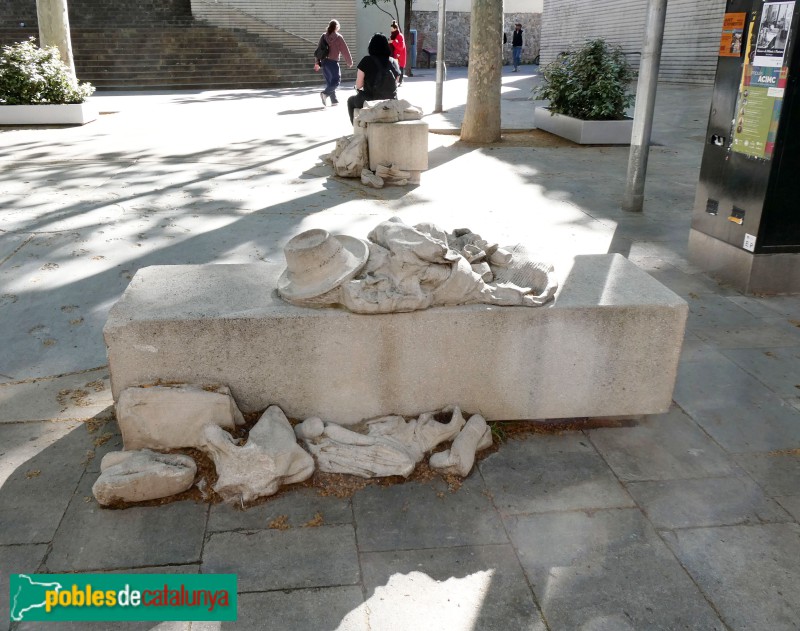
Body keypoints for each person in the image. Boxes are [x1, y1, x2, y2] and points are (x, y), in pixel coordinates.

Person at [347, 33, 399, 124]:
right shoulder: (393, 61)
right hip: (391, 101)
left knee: (350, 101)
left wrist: (358, 88)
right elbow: (396, 81)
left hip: (371, 100)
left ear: (371, 46)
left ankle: (357, 129)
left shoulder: (366, 60)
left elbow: (359, 85)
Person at [315, 20, 353, 107]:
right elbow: (345, 50)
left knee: (330, 81)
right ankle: (325, 94)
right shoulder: (338, 37)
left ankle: (334, 100)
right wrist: (349, 62)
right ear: (337, 27)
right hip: (333, 62)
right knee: (336, 80)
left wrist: (317, 62)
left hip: (324, 62)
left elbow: (319, 50)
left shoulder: (323, 36)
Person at [389, 20, 407, 85]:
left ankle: (400, 81)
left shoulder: (400, 36)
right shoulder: (392, 36)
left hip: (400, 55)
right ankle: (396, 80)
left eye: (392, 29)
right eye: (390, 29)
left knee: (400, 68)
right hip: (394, 55)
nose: (391, 30)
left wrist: (393, 42)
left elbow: (401, 46)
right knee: (395, 67)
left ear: (396, 28)